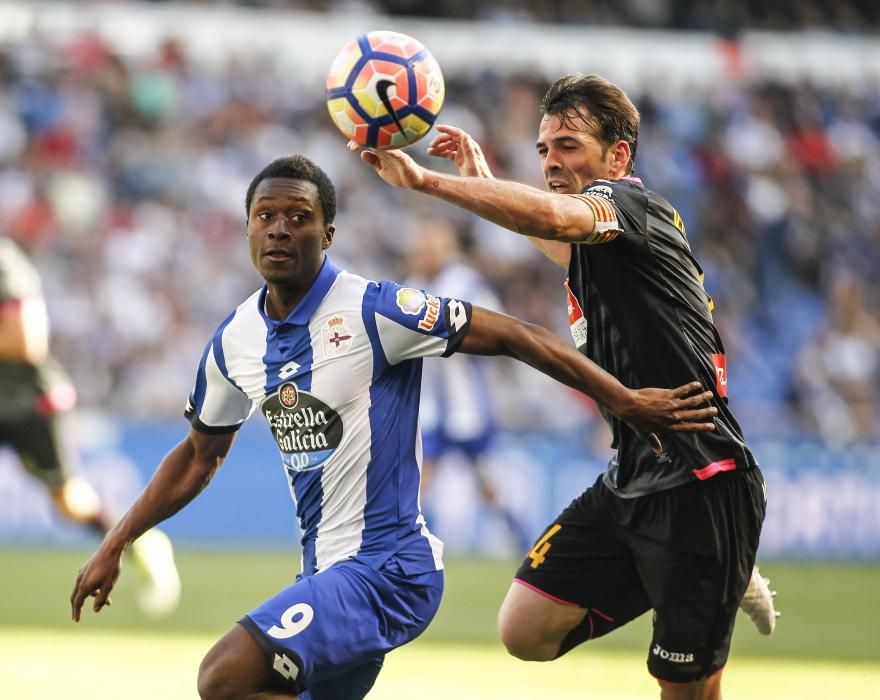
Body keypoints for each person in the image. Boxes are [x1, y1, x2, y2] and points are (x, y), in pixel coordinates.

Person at [70, 155, 719, 700]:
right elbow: (197, 456)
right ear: (246, 230)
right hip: (324, 576)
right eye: (265, 216)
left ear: (327, 234)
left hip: (388, 570)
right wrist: (116, 541)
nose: (279, 230)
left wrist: (626, 400)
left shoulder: (377, 310)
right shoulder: (235, 341)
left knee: (224, 676)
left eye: (299, 218)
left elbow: (518, 336)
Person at [352, 74, 778, 699]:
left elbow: (558, 217)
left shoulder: (632, 205)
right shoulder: (605, 243)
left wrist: (428, 182)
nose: (552, 161)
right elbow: (557, 236)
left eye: (569, 146)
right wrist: (485, 180)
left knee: (685, 689)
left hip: (701, 483)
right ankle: (716, 579)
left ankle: (713, 575)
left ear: (619, 156)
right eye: (544, 149)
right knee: (525, 627)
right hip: (632, 474)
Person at [0, 236, 180, 618]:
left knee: (69, 499)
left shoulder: (6, 263)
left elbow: (26, 341)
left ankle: (142, 544)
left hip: (26, 401)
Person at [405, 216, 531, 552]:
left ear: (449, 249)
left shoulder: (467, 285)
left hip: (468, 406)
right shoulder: (411, 288)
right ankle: (412, 546)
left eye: (433, 245)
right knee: (418, 480)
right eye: (423, 245)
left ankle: (521, 539)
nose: (426, 251)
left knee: (487, 484)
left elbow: (500, 330)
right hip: (429, 406)